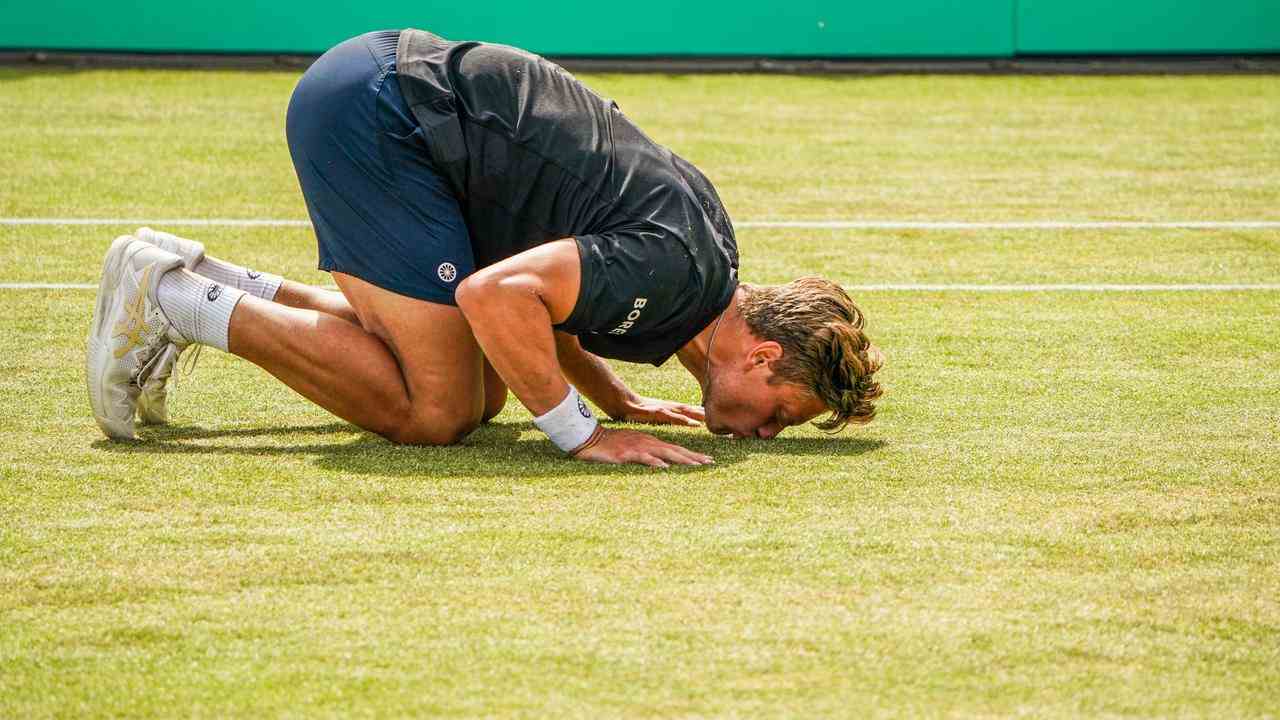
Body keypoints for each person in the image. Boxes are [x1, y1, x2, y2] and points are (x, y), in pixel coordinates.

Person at [86, 29, 884, 467]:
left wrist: (615, 396)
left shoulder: (705, 273)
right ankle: (171, 298)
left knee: (489, 395)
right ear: (762, 355)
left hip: (392, 99)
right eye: (781, 414)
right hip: (382, 115)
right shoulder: (674, 273)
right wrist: (585, 434)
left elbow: (554, 306)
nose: (764, 433)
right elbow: (495, 297)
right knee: (435, 411)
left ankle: (199, 273)